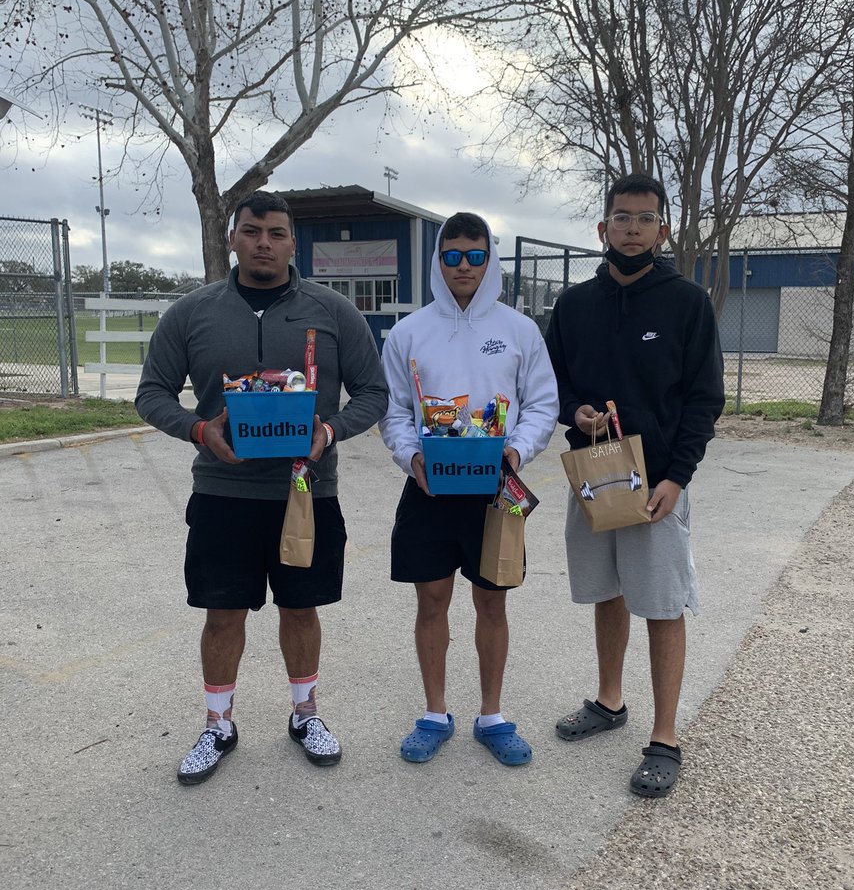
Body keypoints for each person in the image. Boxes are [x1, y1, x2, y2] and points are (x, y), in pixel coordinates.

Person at [135, 190, 388, 784]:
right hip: (224, 493)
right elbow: (151, 393)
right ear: (232, 239)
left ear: (293, 242)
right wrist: (198, 429)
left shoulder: (332, 311)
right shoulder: (193, 312)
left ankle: (305, 714)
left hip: (306, 492)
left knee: (301, 608)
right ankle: (218, 724)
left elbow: (374, 393)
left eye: (276, 233)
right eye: (251, 231)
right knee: (222, 613)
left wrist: (330, 429)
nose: (263, 244)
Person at [545, 172, 725, 797]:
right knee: (609, 592)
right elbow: (552, 384)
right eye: (622, 217)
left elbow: (704, 400)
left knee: (662, 603)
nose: (632, 228)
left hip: (656, 482)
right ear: (603, 227)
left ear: (663, 230)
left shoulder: (687, 304)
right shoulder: (573, 306)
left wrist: (678, 477)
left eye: (646, 218)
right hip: (594, 474)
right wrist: (574, 412)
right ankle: (609, 700)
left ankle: (665, 737)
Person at [379, 211, 558, 766]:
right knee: (431, 601)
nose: (463, 266)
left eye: (475, 256)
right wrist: (411, 456)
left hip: (495, 492)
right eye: (452, 255)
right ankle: (435, 714)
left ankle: (492, 716)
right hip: (430, 489)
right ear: (438, 260)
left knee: (492, 602)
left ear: (490, 260)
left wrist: (516, 450)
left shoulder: (519, 331)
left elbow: (542, 405)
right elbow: (395, 411)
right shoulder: (409, 332)